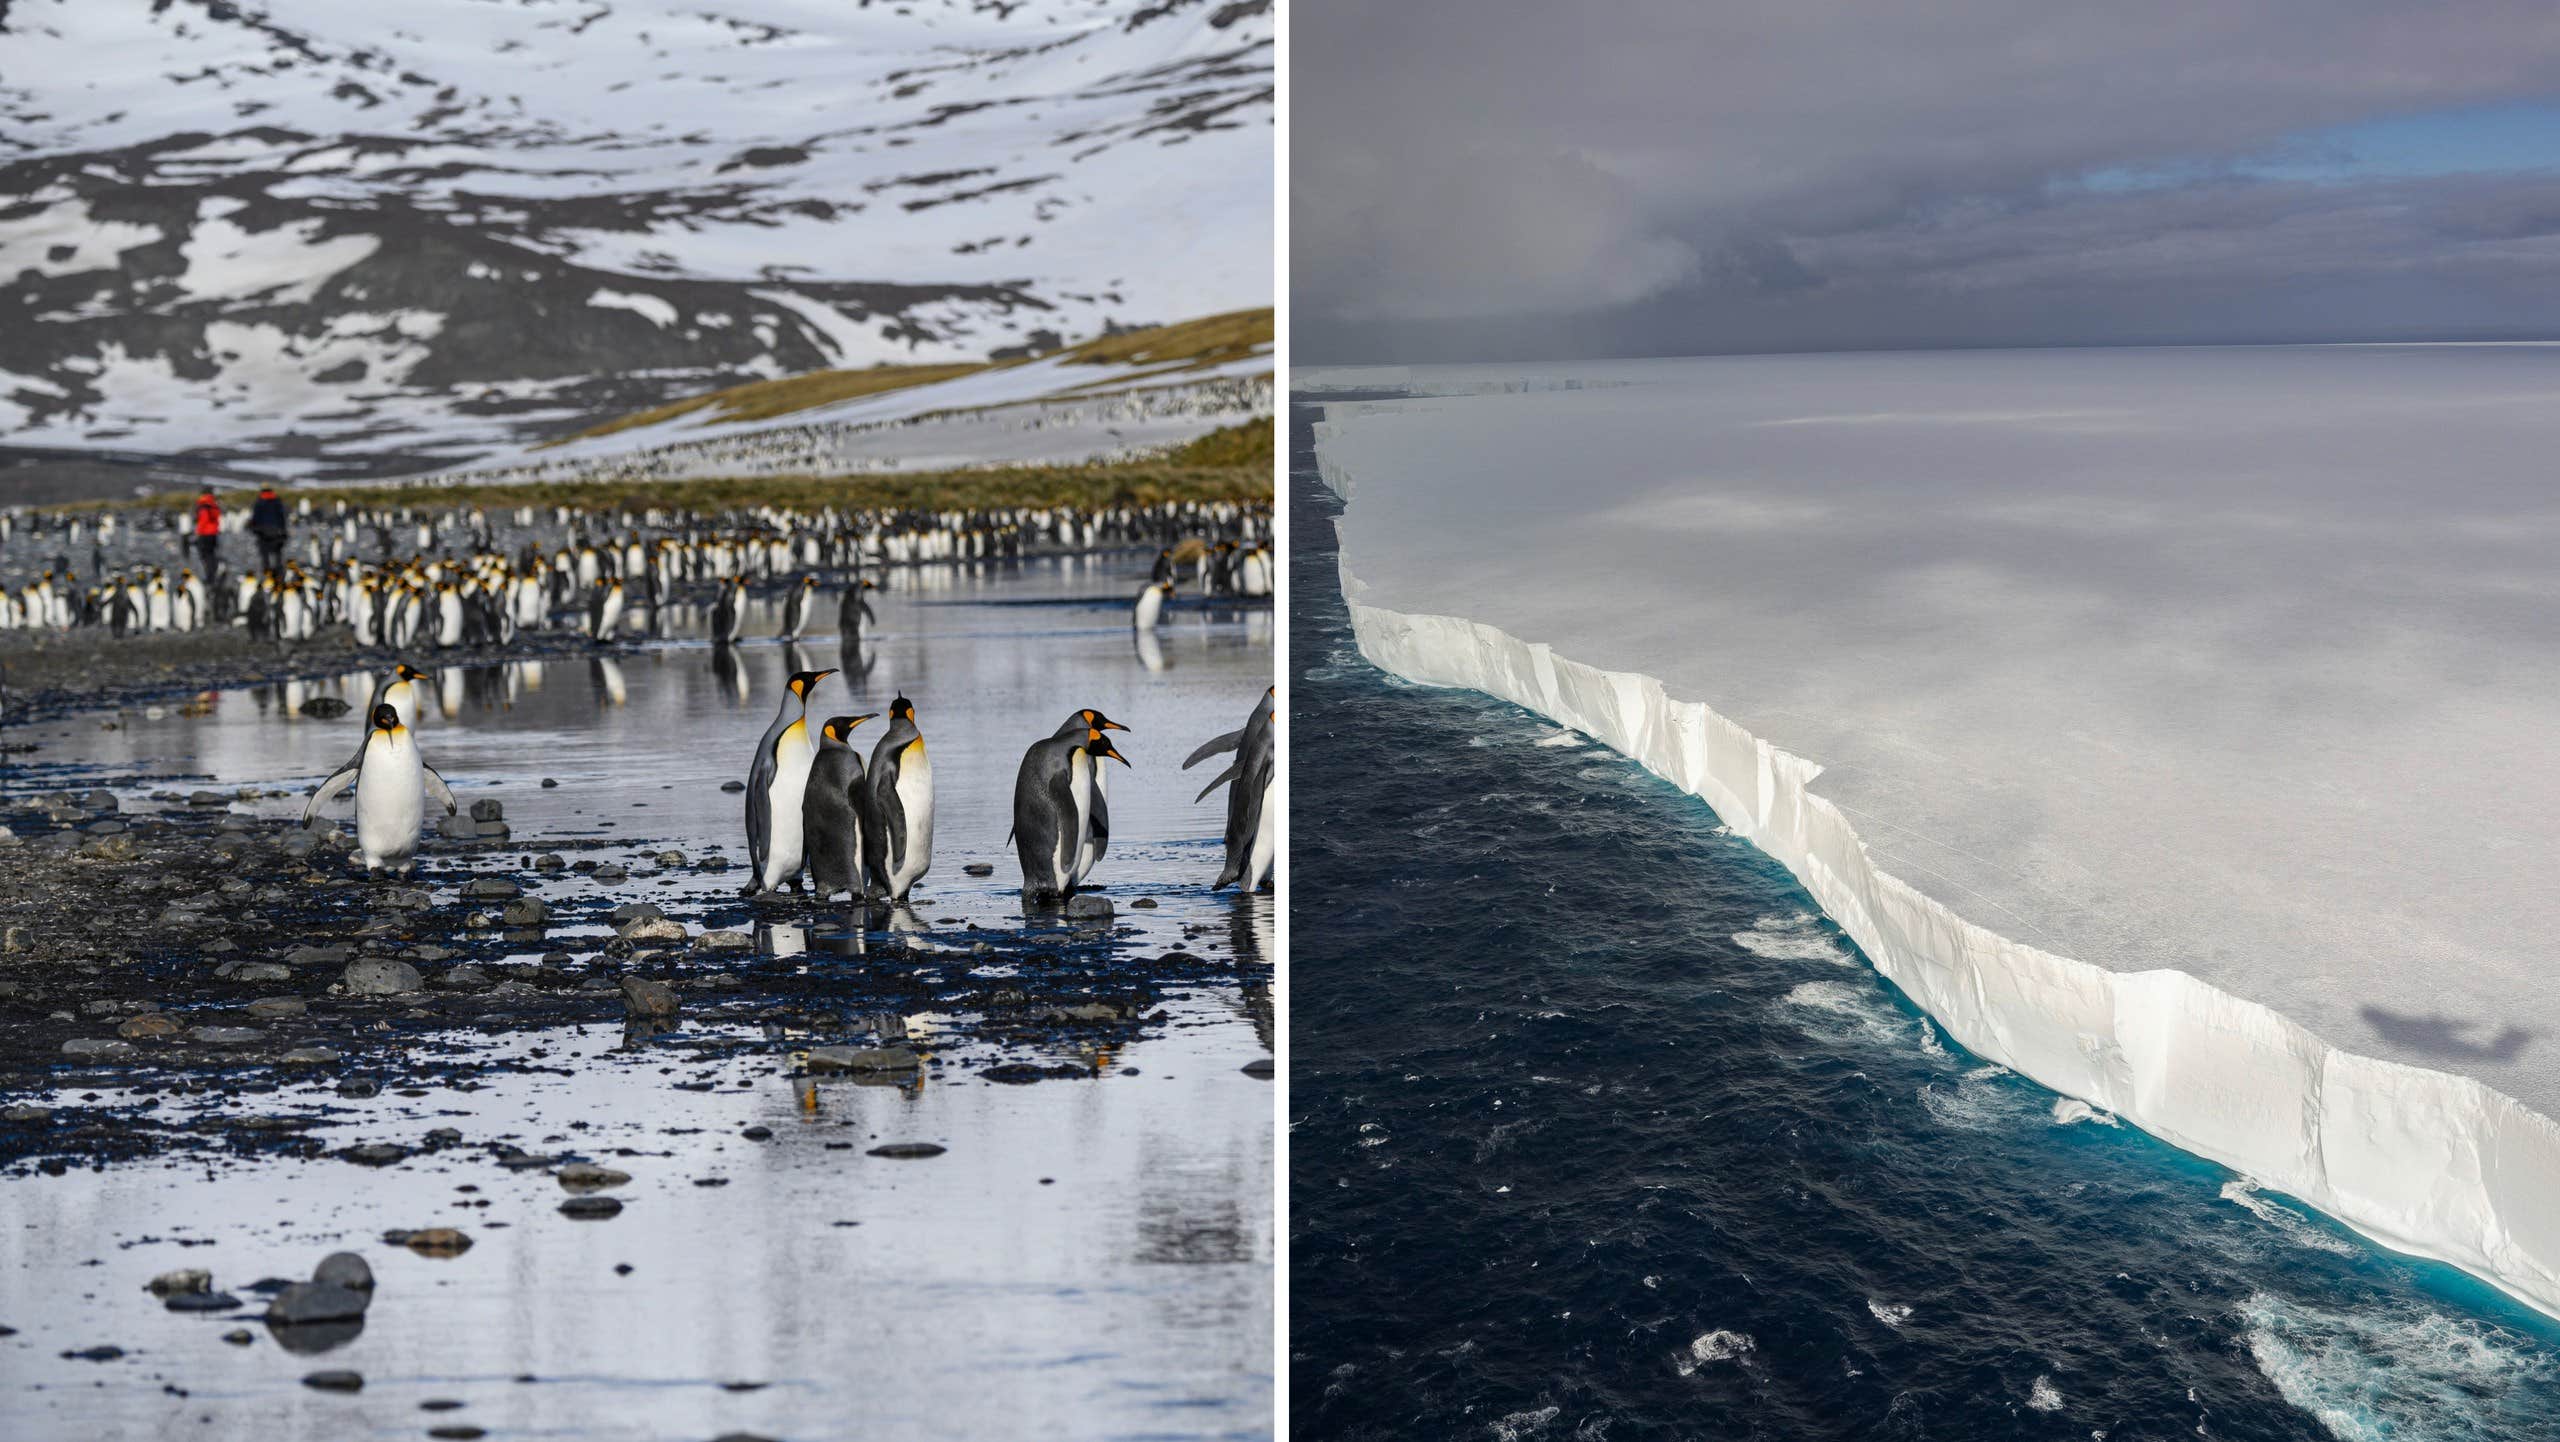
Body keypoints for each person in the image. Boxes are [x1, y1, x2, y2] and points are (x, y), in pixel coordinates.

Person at [248, 486, 288, 574]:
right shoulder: (277, 501)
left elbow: (256, 517)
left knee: (264, 552)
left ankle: (267, 570)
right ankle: (279, 569)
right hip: (277, 531)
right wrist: (283, 530)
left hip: (263, 531)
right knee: (277, 551)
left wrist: (254, 528)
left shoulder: (259, 502)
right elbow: (282, 517)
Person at [191, 488, 222, 577]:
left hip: (205, 534)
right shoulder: (214, 504)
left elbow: (203, 520)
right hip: (213, 533)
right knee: (211, 554)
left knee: (205, 555)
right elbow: (217, 518)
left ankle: (210, 575)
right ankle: (213, 572)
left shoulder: (203, 505)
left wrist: (198, 532)